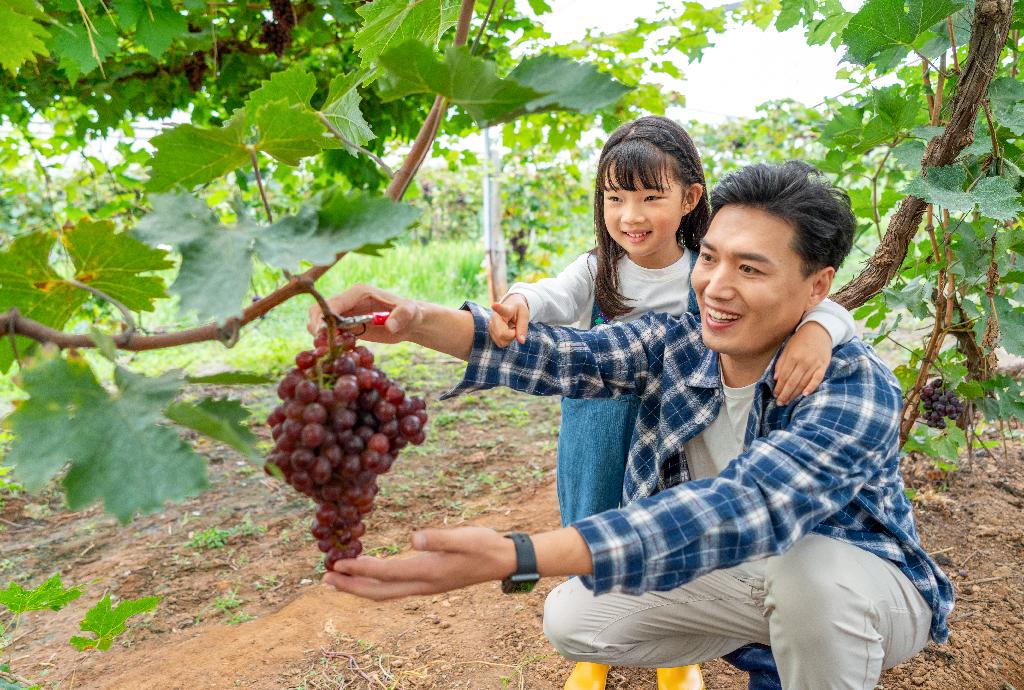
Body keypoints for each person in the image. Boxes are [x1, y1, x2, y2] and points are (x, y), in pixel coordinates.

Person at [313, 162, 955, 690]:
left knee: (809, 580)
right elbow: (559, 353)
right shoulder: (679, 342)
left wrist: (522, 553)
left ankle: (803, 656)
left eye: (751, 268)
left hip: (866, 584)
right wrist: (416, 317)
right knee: (575, 617)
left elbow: (747, 505)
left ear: (818, 288)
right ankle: (766, 645)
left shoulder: (851, 381)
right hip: (747, 573)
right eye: (709, 259)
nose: (716, 286)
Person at [488, 117, 854, 689]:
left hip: (678, 432)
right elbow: (552, 295)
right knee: (593, 520)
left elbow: (811, 303)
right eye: (615, 198)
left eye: (650, 197)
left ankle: (673, 655)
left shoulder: (706, 271)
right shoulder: (597, 269)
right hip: (601, 429)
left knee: (672, 533)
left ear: (689, 198)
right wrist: (517, 300)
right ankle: (594, 653)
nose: (631, 216)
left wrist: (822, 330)